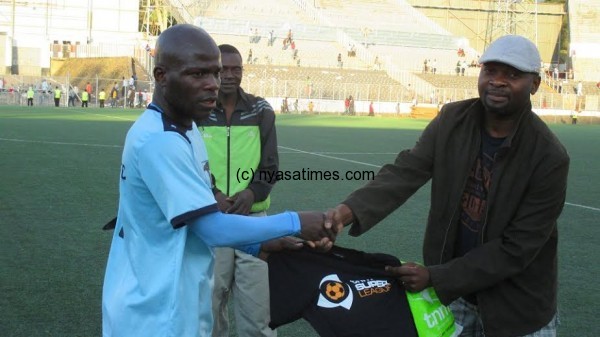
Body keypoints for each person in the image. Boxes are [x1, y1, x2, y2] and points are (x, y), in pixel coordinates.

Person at [324, 35, 569, 337]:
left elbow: (516, 249)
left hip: (517, 307)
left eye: (513, 75)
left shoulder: (549, 157)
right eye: (490, 71)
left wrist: (436, 276)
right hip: (458, 297)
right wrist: (344, 213)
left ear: (535, 84)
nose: (498, 81)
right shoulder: (453, 120)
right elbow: (405, 172)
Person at [102, 24, 334, 337]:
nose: (213, 84)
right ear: (160, 76)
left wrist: (261, 243)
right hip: (155, 313)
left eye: (215, 72)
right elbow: (212, 228)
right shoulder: (162, 141)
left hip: (170, 301)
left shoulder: (186, 130)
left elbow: (199, 220)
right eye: (197, 74)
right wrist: (295, 221)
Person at [196, 43, 280, 337]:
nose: (230, 75)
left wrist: (252, 193)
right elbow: (190, 161)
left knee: (257, 312)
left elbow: (271, 164)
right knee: (208, 305)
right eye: (223, 69)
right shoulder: (199, 111)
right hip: (212, 219)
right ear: (214, 71)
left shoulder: (260, 109)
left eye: (236, 69)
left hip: (254, 222)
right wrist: (213, 195)